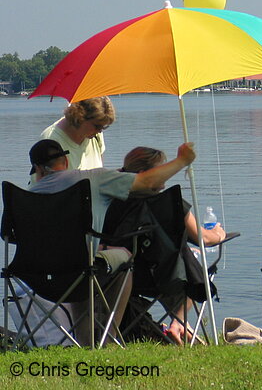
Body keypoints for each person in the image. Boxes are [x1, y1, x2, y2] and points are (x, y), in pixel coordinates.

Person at [26, 138, 196, 345]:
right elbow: (147, 182)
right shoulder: (91, 179)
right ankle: (108, 339)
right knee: (123, 258)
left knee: (88, 264)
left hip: (33, 274)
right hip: (81, 269)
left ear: (37, 169)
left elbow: (11, 235)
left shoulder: (29, 194)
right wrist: (182, 161)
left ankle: (85, 341)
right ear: (66, 161)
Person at [118, 146, 226, 345]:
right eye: (162, 171)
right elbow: (204, 239)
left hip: (121, 278)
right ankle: (178, 321)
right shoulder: (168, 204)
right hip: (164, 278)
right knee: (193, 269)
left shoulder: (113, 201)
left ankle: (174, 324)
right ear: (145, 174)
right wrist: (219, 233)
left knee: (183, 258)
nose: (166, 177)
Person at [39, 96, 116, 170]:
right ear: (80, 116)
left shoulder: (96, 136)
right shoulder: (50, 140)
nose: (100, 131)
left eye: (104, 127)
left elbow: (100, 174)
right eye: (97, 126)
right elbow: (46, 182)